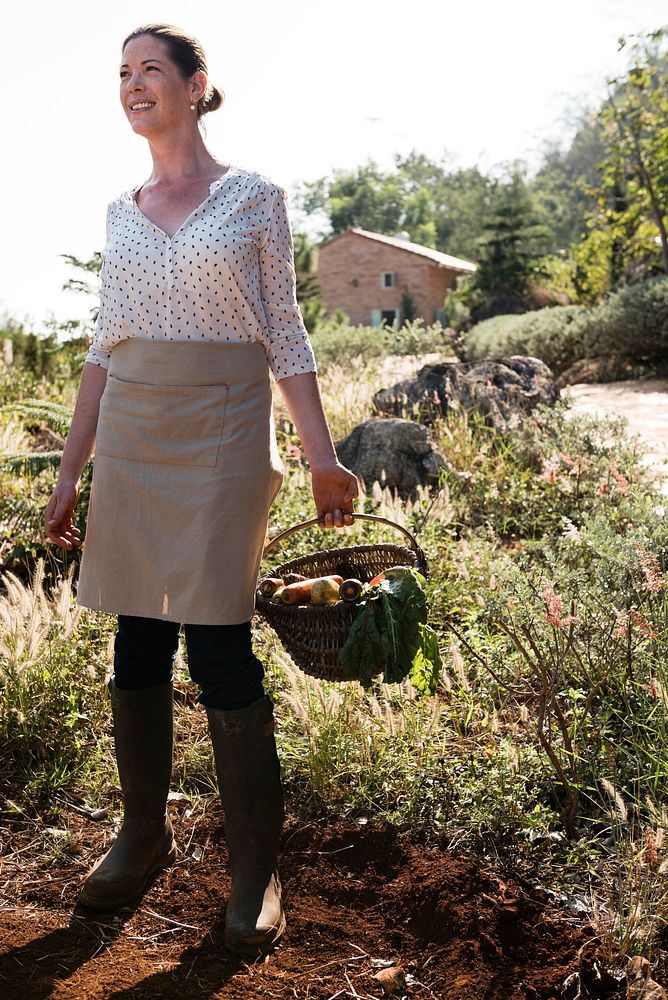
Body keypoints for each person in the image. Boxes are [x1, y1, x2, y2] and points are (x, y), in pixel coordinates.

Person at [44, 23, 359, 956]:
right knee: (138, 637)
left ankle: (256, 874)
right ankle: (142, 840)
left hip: (224, 429)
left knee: (217, 642)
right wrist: (70, 473)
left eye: (151, 71)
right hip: (136, 435)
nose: (134, 86)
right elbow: (104, 347)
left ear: (196, 84)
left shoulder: (254, 197)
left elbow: (286, 333)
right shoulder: (121, 209)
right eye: (124, 74)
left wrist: (322, 455)